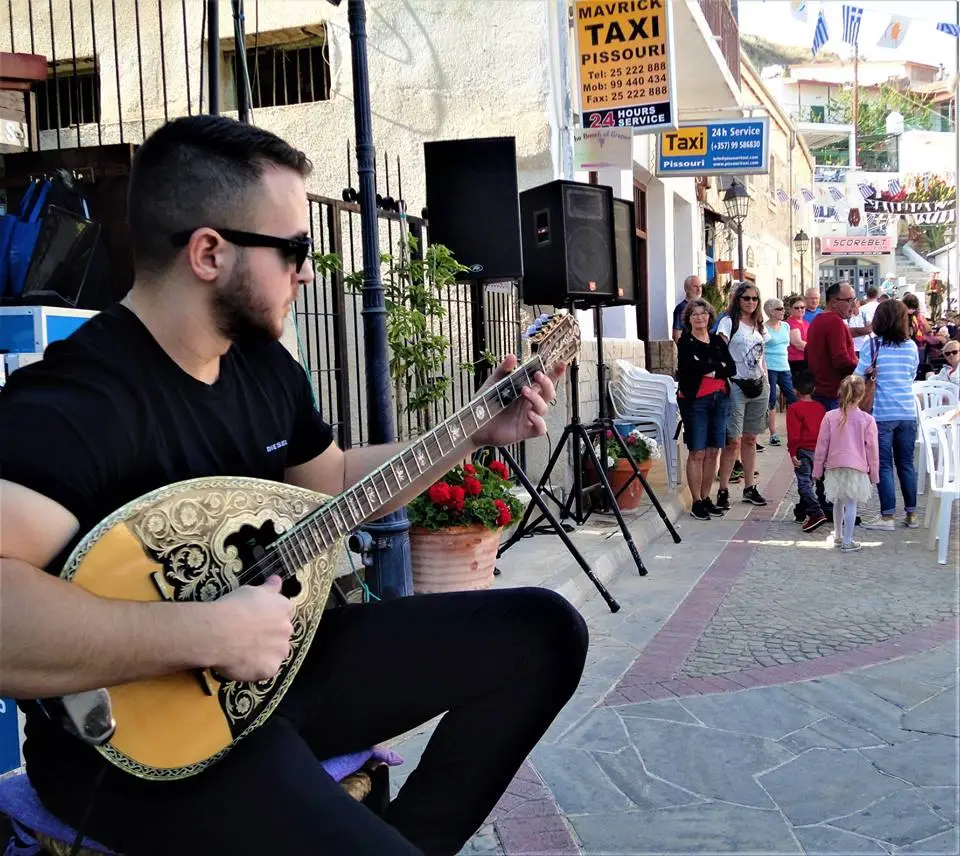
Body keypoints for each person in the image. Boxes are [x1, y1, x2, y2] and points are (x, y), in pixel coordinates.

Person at [0, 116, 587, 856]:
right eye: (294, 251)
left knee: (543, 634)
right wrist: (204, 633)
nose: (308, 271)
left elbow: (332, 486)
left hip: (284, 664)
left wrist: (473, 432)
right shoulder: (82, 404)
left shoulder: (262, 364)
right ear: (208, 252)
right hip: (135, 750)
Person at [856, 298, 921, 531]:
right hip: (907, 412)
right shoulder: (911, 346)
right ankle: (912, 515)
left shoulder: (873, 346)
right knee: (906, 464)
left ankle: (887, 517)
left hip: (882, 412)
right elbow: (911, 375)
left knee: (883, 464)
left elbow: (858, 375)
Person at [675, 299, 736, 520]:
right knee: (697, 451)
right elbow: (690, 367)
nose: (700, 317)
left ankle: (706, 497)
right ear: (689, 319)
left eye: (703, 313)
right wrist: (715, 367)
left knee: (713, 451)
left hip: (719, 399)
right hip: (695, 401)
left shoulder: (717, 341)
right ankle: (696, 501)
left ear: (710, 316)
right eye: (694, 314)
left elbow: (731, 367)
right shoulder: (686, 342)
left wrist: (712, 369)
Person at [715, 281, 768, 510]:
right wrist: (725, 376)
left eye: (755, 299)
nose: (751, 302)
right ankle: (723, 489)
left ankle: (749, 487)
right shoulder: (729, 322)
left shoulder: (759, 324)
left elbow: (761, 355)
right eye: (746, 298)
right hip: (736, 385)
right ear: (737, 299)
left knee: (750, 439)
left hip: (758, 384)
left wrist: (766, 379)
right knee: (732, 440)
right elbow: (719, 349)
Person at [812, 375, 879, 553]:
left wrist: (817, 469)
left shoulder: (829, 417)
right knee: (851, 503)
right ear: (862, 395)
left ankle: (838, 536)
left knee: (838, 501)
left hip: (834, 465)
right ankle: (848, 540)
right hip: (857, 467)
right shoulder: (867, 420)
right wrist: (874, 474)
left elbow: (821, 446)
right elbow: (872, 450)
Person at [805, 282, 858, 411]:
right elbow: (840, 360)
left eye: (854, 300)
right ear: (834, 302)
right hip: (833, 393)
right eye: (849, 300)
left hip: (820, 390)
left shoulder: (817, 320)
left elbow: (807, 353)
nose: (854, 305)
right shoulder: (835, 322)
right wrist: (860, 368)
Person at [787, 371, 828, 531]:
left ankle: (816, 511)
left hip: (803, 450)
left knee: (804, 483)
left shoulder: (794, 408)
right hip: (820, 450)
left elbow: (794, 434)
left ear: (795, 390)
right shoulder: (820, 407)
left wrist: (792, 452)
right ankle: (803, 510)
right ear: (814, 389)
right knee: (817, 481)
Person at [763, 297, 796, 446]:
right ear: (770, 311)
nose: (783, 311)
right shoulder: (763, 327)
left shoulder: (786, 326)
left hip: (784, 366)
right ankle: (773, 433)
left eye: (783, 308)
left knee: (793, 397)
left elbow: (787, 345)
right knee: (771, 400)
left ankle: (795, 429)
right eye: (779, 309)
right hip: (770, 367)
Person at [672, 275, 702, 342]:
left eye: (700, 286)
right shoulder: (681, 308)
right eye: (695, 286)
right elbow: (677, 334)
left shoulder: (704, 307)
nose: (699, 289)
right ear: (686, 289)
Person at [786, 294, 809, 379]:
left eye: (802, 307)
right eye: (796, 308)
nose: (800, 309)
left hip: (806, 359)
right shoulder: (791, 323)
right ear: (791, 309)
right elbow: (798, 344)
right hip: (796, 361)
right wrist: (816, 349)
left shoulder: (806, 323)